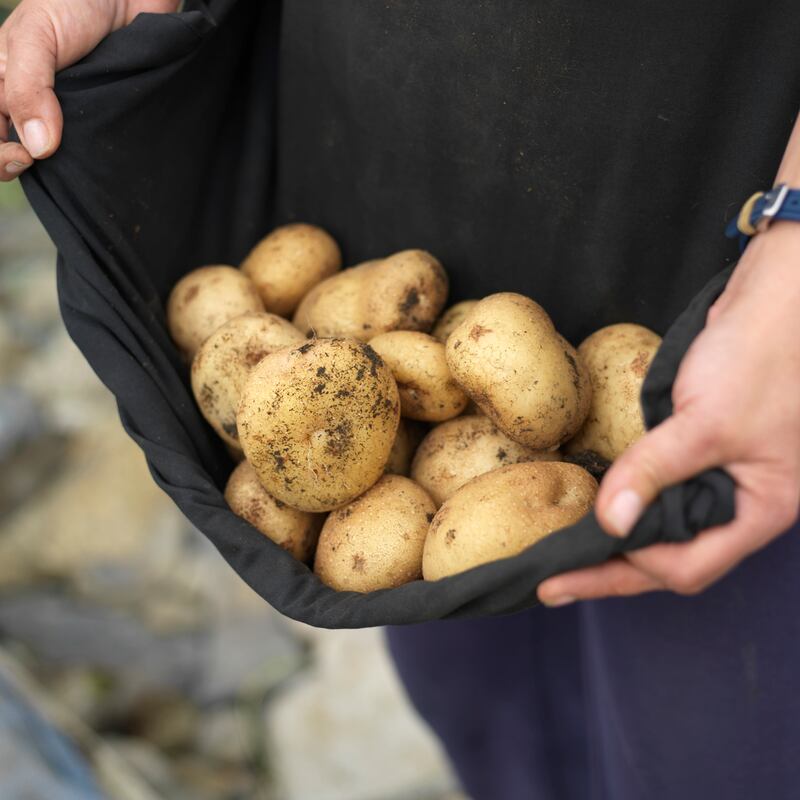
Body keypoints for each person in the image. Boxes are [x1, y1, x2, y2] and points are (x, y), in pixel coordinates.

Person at [2, 2, 798, 797]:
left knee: (713, 739)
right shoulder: (381, 433)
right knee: (485, 707)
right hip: (382, 119)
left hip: (740, 297)